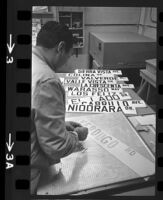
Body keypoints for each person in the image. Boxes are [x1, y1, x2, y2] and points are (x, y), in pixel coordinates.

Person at [31, 21, 88, 194]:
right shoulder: (47, 80)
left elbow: (34, 115)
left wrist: (60, 125)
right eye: (69, 55)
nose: (66, 62)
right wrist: (76, 136)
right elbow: (56, 146)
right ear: (61, 47)